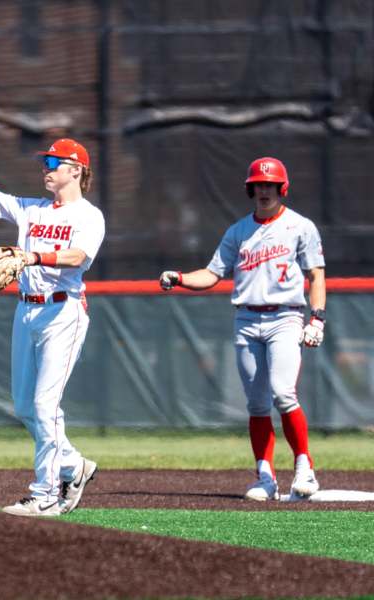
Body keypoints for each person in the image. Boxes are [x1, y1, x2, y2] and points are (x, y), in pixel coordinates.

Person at [0, 129, 105, 517]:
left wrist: (32, 258)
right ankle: (73, 466)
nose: (45, 169)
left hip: (62, 312)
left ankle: (45, 494)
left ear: (76, 170)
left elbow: (77, 257)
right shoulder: (31, 209)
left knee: (46, 404)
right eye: (44, 163)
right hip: (26, 310)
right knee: (24, 407)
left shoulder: (88, 216)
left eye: (52, 163)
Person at [159, 157, 326, 501]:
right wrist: (180, 278)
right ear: (251, 189)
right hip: (247, 320)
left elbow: (316, 275)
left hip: (285, 317)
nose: (264, 190)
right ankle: (264, 476)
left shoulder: (300, 226)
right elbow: (211, 274)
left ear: (282, 188)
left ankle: (304, 467)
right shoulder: (238, 231)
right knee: (256, 404)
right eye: (258, 185)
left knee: (283, 393)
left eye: (270, 185)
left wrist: (317, 317)